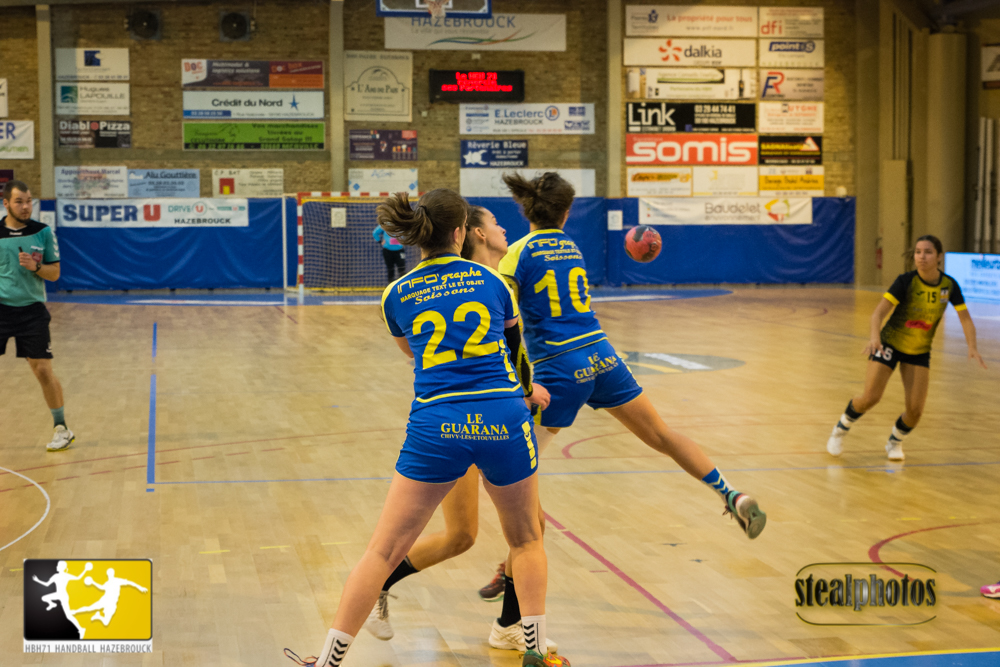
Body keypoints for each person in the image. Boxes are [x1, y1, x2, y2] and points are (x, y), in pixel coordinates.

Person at [478, 171, 766, 638]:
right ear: (567, 212)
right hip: (602, 354)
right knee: (662, 435)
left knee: (519, 483)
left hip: (558, 368)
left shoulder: (519, 252)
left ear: (526, 210)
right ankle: (730, 492)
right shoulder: (571, 248)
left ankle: (513, 572)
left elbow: (499, 309)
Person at [298, 190, 568, 667]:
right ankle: (534, 652)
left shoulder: (395, 294)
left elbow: (413, 353)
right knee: (526, 539)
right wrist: (527, 391)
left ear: (419, 234)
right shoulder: (493, 282)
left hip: (437, 424)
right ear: (461, 232)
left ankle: (326, 662)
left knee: (381, 552)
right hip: (502, 418)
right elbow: (515, 353)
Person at [361, 205, 555, 654]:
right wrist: (525, 388)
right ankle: (378, 582)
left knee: (506, 531)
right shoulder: (475, 283)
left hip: (483, 417)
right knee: (469, 535)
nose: (503, 228)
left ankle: (509, 625)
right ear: (474, 234)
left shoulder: (491, 283)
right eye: (494, 223)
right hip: (462, 421)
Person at [826, 235, 986, 461]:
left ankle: (895, 441)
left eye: (928, 252)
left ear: (939, 257)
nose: (921, 256)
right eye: (918, 252)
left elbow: (965, 318)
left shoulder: (949, 286)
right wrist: (874, 338)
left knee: (915, 411)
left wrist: (972, 347)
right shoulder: (906, 281)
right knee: (871, 397)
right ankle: (840, 429)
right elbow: (878, 313)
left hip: (918, 351)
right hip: (889, 344)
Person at [1, 180, 74, 451]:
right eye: (19, 201)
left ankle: (62, 428)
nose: (25, 206)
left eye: (29, 201)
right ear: (6, 203)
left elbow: (54, 274)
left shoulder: (42, 232)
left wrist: (36, 267)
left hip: (31, 311)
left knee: (42, 370)